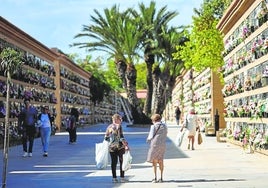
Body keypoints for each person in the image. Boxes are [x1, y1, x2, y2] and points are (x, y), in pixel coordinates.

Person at [104, 114, 128, 183]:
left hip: (112, 148)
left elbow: (106, 138)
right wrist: (126, 145)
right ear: (117, 119)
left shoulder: (109, 127)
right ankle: (122, 178)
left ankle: (114, 178)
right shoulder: (119, 126)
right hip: (120, 147)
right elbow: (121, 137)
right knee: (121, 162)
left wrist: (112, 141)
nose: (121, 121)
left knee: (113, 163)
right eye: (120, 119)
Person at [146, 114, 168, 183]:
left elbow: (150, 136)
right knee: (161, 160)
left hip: (155, 144)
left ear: (154, 120)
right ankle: (161, 178)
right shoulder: (165, 126)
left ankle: (155, 178)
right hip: (162, 144)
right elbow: (166, 133)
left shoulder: (153, 126)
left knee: (154, 161)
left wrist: (148, 139)